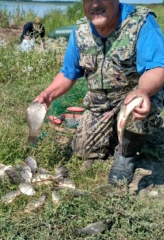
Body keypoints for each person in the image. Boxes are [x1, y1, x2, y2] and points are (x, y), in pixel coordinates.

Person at [34, 0, 164, 186]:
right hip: (100, 103)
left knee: (142, 103)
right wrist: (48, 94)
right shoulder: (80, 30)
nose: (95, 4)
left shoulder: (141, 22)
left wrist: (143, 90)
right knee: (83, 150)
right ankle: (114, 129)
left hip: (133, 97)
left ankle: (126, 154)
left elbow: (156, 67)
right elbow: (68, 73)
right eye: (88, 0)